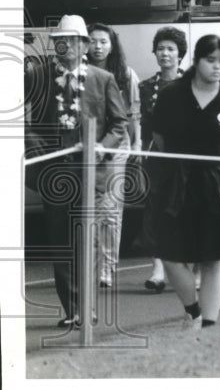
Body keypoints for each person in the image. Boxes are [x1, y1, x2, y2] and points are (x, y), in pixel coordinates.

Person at [24, 15, 129, 328]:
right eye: (61, 40)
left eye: (72, 40)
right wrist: (39, 149)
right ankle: (72, 310)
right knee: (61, 243)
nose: (66, 45)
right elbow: (21, 115)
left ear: (84, 45)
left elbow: (119, 124)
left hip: (89, 172)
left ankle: (88, 307)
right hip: (54, 172)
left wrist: (102, 147)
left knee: (86, 241)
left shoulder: (102, 78)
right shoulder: (40, 76)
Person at [146, 34, 220, 330]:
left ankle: (208, 325)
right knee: (170, 254)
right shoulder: (172, 95)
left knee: (213, 257)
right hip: (176, 182)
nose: (217, 67)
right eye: (210, 60)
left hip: (217, 184)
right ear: (196, 60)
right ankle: (192, 310)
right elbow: (159, 139)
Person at [87, 22, 141, 288]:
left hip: (117, 144)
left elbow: (133, 114)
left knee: (110, 208)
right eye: (92, 41)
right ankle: (90, 264)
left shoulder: (125, 75)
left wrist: (137, 142)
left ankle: (107, 267)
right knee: (89, 209)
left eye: (103, 41)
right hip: (87, 143)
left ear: (112, 45)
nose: (97, 47)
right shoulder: (80, 72)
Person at [137, 26, 188, 293]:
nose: (165, 53)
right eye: (160, 48)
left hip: (185, 157)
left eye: (170, 49)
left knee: (184, 210)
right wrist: (141, 157)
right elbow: (142, 127)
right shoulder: (145, 87)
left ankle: (188, 268)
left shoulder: (191, 84)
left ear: (180, 54)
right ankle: (158, 270)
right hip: (156, 156)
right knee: (154, 211)